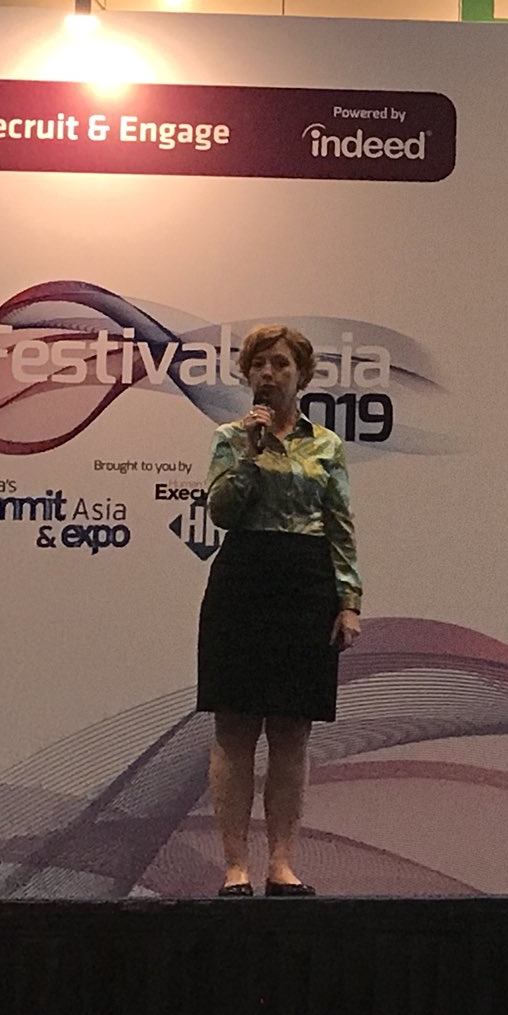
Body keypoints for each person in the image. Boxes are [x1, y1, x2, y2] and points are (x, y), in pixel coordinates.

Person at [196, 323, 362, 897]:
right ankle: (235, 867)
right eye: (259, 364)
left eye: (281, 364)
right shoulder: (228, 437)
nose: (268, 374)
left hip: (306, 582)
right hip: (244, 579)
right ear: (247, 374)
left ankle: (282, 864)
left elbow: (340, 526)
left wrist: (349, 601)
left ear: (302, 375)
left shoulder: (327, 445)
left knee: (292, 731)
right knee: (235, 727)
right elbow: (222, 512)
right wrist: (250, 451)